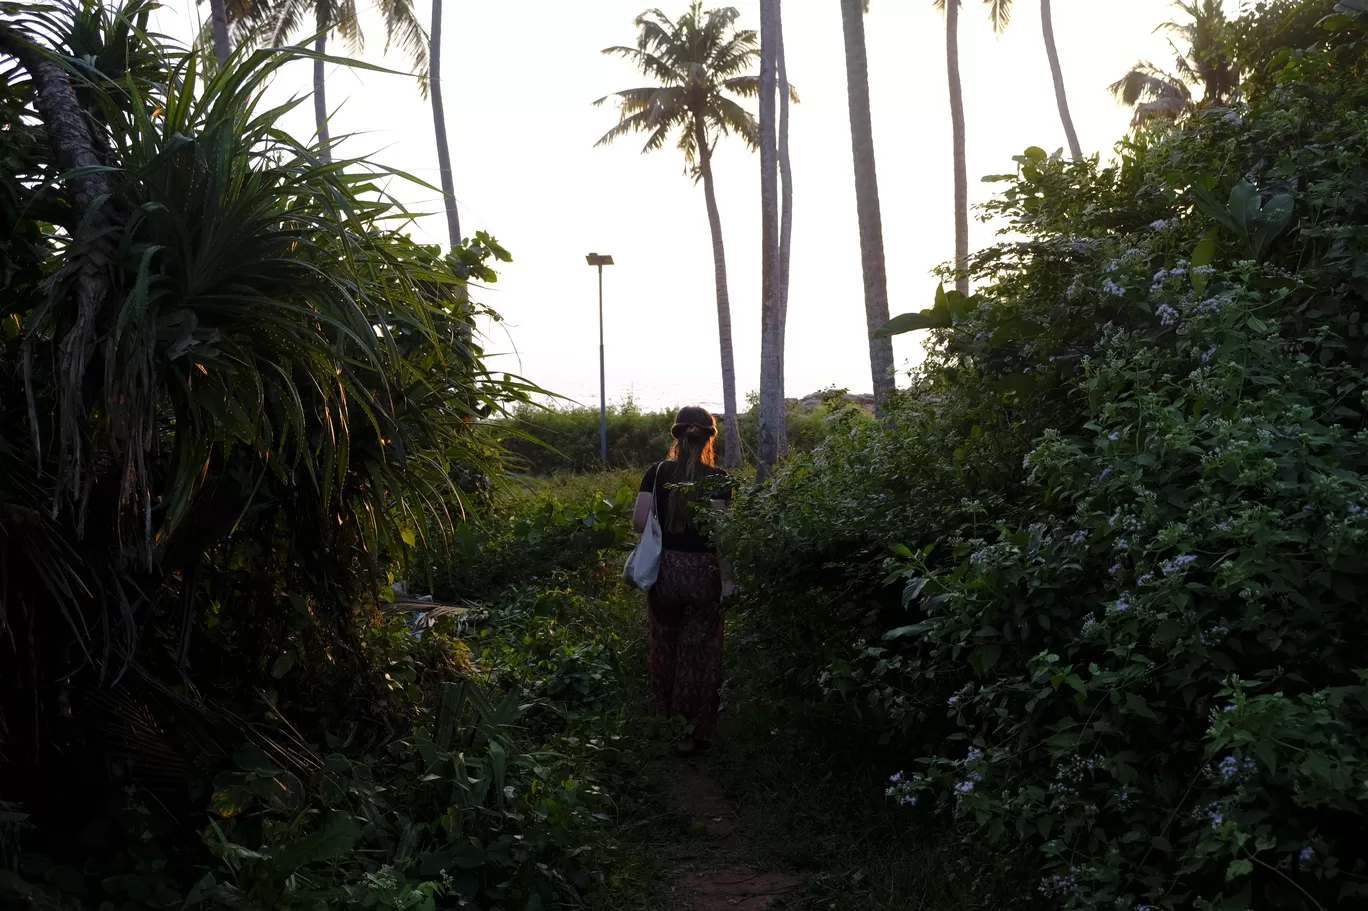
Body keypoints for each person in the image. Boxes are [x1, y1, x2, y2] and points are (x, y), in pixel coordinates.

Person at [633, 406, 734, 756]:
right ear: (709, 437)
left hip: (665, 574)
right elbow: (721, 534)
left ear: (676, 437)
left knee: (665, 647)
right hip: (704, 575)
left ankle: (665, 723)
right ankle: (693, 730)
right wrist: (729, 581)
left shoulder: (657, 472)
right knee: (700, 653)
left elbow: (638, 520)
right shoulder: (719, 477)